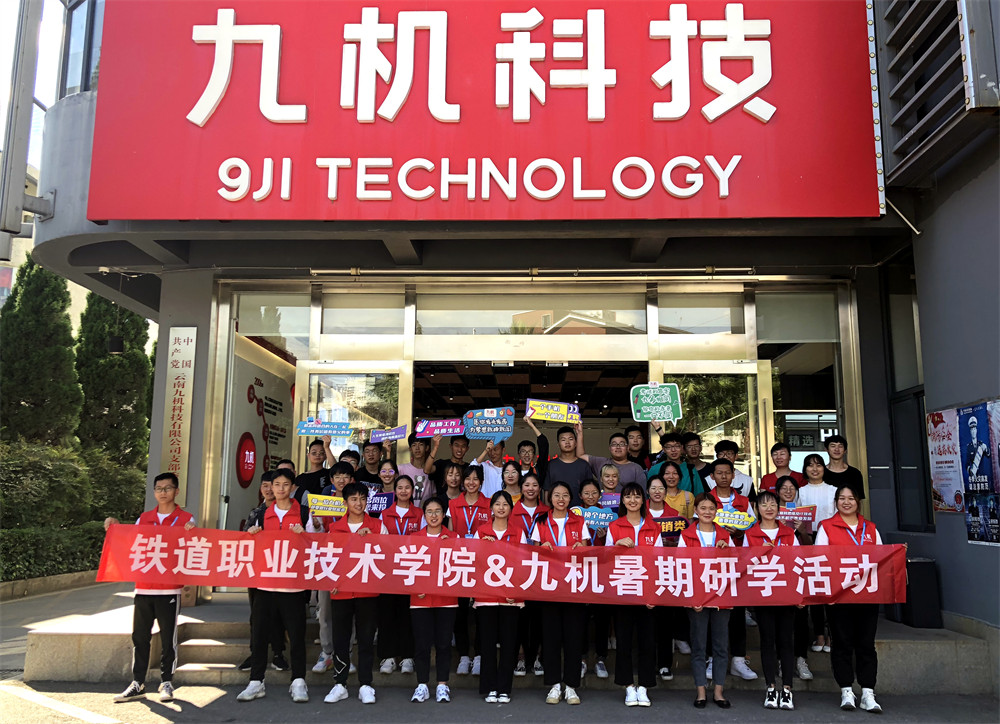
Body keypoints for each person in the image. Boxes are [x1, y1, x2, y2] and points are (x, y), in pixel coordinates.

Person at [106, 473, 196, 703]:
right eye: (159, 488)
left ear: (177, 491)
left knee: (168, 639)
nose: (163, 492)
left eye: (168, 488)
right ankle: (138, 682)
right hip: (144, 588)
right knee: (140, 637)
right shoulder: (144, 518)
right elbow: (130, 542)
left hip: (169, 589)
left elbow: (194, 546)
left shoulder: (186, 519)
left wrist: (192, 531)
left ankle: (167, 682)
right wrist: (115, 529)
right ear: (154, 492)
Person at [237, 469, 310, 704]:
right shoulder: (261, 514)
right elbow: (249, 547)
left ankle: (298, 681)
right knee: (259, 634)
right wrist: (251, 534)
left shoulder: (304, 513)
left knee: (296, 636)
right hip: (265, 585)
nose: (279, 489)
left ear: (292, 487)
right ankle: (256, 681)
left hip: (293, 586)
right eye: (276, 484)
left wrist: (305, 535)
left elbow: (316, 547)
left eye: (285, 484)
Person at [815, 486, 884, 714]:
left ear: (858, 502)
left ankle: (868, 691)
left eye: (851, 498)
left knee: (866, 644)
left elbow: (882, 558)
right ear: (836, 502)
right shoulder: (826, 527)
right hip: (839, 595)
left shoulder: (870, 528)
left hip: (867, 594)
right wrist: (827, 593)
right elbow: (820, 560)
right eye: (842, 498)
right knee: (842, 642)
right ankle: (846, 689)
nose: (846, 502)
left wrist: (897, 552)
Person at [324, 482, 389, 705]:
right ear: (345, 503)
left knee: (366, 638)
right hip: (340, 591)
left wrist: (373, 539)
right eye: (353, 499)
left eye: (362, 498)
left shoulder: (378, 526)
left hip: (367, 591)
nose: (358, 503)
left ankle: (365, 684)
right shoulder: (335, 528)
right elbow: (328, 559)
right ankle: (340, 684)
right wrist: (330, 581)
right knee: (341, 639)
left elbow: (389, 554)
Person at [530, 481, 590, 705]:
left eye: (565, 495)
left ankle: (572, 686)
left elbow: (587, 550)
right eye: (556, 495)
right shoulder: (541, 521)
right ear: (550, 498)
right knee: (551, 637)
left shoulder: (579, 521)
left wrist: (582, 548)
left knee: (573, 637)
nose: (561, 499)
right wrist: (540, 549)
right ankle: (554, 685)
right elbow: (532, 553)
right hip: (549, 586)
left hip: (574, 585)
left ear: (570, 498)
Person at [743, 490, 800, 710]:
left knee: (786, 641)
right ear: (757, 509)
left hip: (786, 594)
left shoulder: (788, 533)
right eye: (764, 504)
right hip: (763, 594)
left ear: (778, 508)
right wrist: (758, 554)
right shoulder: (751, 534)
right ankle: (770, 687)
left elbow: (799, 563)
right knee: (767, 641)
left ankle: (787, 689)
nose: (769, 508)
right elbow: (743, 564)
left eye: (773, 504)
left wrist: (799, 594)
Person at [607, 482, 662, 707]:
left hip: (647, 591)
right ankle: (629, 686)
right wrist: (617, 544)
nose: (633, 500)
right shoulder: (614, 526)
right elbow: (605, 560)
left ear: (643, 500)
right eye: (628, 496)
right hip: (623, 590)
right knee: (624, 641)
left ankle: (645, 686)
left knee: (647, 641)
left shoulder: (653, 527)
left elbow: (659, 562)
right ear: (622, 500)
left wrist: (654, 593)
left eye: (637, 496)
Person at [678, 493, 732, 709]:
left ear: (716, 511)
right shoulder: (687, 535)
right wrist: (691, 596)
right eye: (703, 508)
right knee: (699, 644)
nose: (707, 512)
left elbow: (734, 566)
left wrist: (727, 550)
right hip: (697, 596)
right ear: (696, 511)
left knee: (720, 645)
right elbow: (681, 567)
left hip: (721, 595)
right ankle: (700, 691)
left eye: (711, 508)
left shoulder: (725, 535)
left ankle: (718, 691)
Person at [473, 490, 526, 703]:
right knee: (487, 644)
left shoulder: (518, 532)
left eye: (505, 504)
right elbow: (475, 562)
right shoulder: (481, 532)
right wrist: (483, 547)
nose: (501, 508)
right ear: (491, 508)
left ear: (511, 509)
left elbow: (523, 564)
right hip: (486, 595)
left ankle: (504, 688)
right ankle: (489, 687)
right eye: (497, 504)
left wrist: (517, 592)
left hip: (511, 596)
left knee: (508, 643)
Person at [707, 458, 758, 682]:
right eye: (719, 473)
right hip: (711, 564)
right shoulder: (706, 500)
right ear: (712, 477)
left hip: (738, 563)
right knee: (712, 611)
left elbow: (755, 530)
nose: (724, 476)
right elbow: (698, 528)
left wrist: (739, 533)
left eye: (727, 472)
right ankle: (711, 658)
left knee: (736, 612)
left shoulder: (744, 501)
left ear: (733, 475)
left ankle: (738, 660)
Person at [409, 497, 459, 703]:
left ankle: (442, 685)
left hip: (446, 599)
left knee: (444, 644)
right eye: (429, 511)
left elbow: (461, 567)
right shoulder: (414, 538)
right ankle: (422, 684)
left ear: (444, 514)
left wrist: (452, 546)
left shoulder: (454, 537)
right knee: (421, 644)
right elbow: (407, 568)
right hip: (419, 599)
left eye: (437, 511)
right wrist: (415, 587)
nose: (434, 515)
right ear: (424, 515)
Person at [240, 472, 287, 673]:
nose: (269, 490)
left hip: (281, 570)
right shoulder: (256, 513)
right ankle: (255, 653)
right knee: (257, 615)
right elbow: (243, 540)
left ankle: (278, 653)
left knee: (278, 614)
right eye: (265, 486)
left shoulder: (287, 512)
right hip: (258, 571)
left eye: (272, 485)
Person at [311, 462, 355, 675]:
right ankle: (327, 652)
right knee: (325, 610)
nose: (341, 480)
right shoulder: (323, 502)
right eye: (337, 476)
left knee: (350, 612)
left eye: (345, 476)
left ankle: (346, 654)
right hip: (327, 563)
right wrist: (316, 525)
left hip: (352, 564)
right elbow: (314, 535)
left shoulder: (357, 502)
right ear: (331, 480)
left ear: (351, 479)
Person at [377, 475, 422, 675]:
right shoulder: (385, 514)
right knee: (387, 613)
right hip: (388, 571)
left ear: (413, 491)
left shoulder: (419, 514)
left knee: (407, 614)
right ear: (394, 491)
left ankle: (407, 656)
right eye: (400, 487)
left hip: (411, 570)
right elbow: (379, 541)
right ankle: (387, 656)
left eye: (407, 487)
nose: (404, 491)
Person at [448, 464, 490, 676]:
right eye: (468, 478)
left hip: (483, 564)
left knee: (482, 611)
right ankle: (464, 655)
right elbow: (449, 533)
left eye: (475, 479)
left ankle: (480, 655)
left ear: (481, 482)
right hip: (460, 562)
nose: (471, 482)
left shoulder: (489, 504)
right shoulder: (453, 504)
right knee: (460, 611)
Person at [646, 473, 687, 678]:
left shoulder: (675, 516)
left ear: (666, 492)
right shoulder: (639, 511)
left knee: (664, 620)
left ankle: (664, 664)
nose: (657, 492)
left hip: (666, 570)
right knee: (646, 620)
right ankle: (647, 663)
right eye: (653, 488)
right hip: (643, 572)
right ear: (647, 491)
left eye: (660, 488)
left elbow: (684, 545)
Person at [776, 475, 815, 682]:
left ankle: (801, 659)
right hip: (776, 572)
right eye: (784, 488)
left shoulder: (803, 514)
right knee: (779, 619)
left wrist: (801, 531)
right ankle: (782, 660)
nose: (788, 491)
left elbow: (809, 545)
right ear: (777, 492)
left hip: (799, 570)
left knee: (800, 617)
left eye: (792, 488)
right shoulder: (771, 513)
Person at [797, 454, 837, 653]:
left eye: (818, 465)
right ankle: (819, 635)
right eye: (810, 465)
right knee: (814, 590)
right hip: (807, 542)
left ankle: (831, 636)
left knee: (831, 590)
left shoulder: (834, 490)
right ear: (805, 469)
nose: (814, 469)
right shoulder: (800, 491)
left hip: (831, 543)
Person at [511, 472, 548, 677]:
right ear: (521, 488)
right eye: (527, 485)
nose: (531, 488)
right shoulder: (512, 511)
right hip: (518, 569)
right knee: (520, 617)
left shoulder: (548, 511)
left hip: (542, 570)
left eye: (535, 485)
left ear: (540, 488)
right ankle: (521, 657)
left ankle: (538, 657)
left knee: (539, 617)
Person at [579, 479, 610, 681]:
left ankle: (601, 658)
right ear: (580, 496)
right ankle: (581, 658)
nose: (590, 497)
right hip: (580, 571)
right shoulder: (574, 515)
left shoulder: (608, 516)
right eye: (586, 493)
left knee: (602, 615)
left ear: (600, 495)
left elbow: (613, 546)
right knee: (580, 615)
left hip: (602, 570)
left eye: (594, 493)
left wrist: (605, 536)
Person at [576, 427, 648, 487]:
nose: (618, 447)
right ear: (610, 448)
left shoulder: (636, 468)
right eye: (614, 444)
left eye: (622, 444)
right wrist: (580, 433)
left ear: (628, 448)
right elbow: (580, 455)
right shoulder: (600, 463)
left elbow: (642, 494)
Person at [544, 425, 592, 506]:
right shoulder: (551, 465)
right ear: (558, 444)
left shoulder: (584, 465)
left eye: (570, 439)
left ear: (576, 443)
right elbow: (547, 492)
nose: (567, 442)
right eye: (563, 440)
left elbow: (590, 491)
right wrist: (548, 511)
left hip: (580, 511)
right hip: (556, 511)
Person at [823, 435, 866, 501]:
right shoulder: (821, 472)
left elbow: (858, 499)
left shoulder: (854, 473)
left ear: (845, 450)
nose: (837, 449)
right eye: (833, 446)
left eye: (840, 446)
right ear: (826, 449)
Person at [398, 432, 435, 503]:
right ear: (410, 449)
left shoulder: (431, 470)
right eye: (414, 445)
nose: (417, 448)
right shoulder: (401, 469)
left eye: (421, 444)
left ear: (427, 448)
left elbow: (434, 494)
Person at [293, 438, 330, 504]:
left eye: (321, 453)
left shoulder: (329, 474)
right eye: (314, 453)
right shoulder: (299, 478)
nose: (317, 455)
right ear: (308, 455)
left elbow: (337, 469)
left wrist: (327, 448)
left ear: (326, 456)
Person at [520, 413, 551, 481]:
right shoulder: (514, 472)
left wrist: (531, 425)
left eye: (530, 452)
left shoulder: (538, 470)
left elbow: (544, 444)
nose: (527, 455)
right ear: (518, 454)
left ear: (534, 455)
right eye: (523, 451)